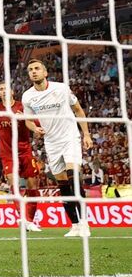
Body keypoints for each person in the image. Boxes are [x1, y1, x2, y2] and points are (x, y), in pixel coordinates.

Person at [22, 59, 95, 239]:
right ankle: (75, 225)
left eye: (37, 68)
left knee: (74, 178)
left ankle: (84, 223)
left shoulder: (61, 88)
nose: (33, 71)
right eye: (30, 69)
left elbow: (78, 110)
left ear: (45, 72)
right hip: (51, 142)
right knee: (63, 185)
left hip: (69, 137)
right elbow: (28, 121)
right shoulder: (27, 96)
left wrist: (86, 134)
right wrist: (35, 128)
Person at [0, 82, 43, 231]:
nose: (3, 91)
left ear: (12, 92)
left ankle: (30, 220)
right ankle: (23, 217)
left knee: (32, 186)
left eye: (6, 89)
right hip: (8, 154)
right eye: (1, 89)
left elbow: (35, 122)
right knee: (13, 184)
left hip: (25, 152)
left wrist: (31, 123)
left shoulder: (22, 106)